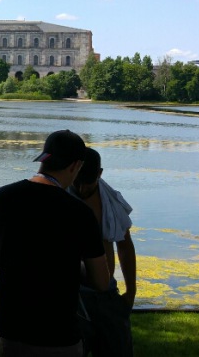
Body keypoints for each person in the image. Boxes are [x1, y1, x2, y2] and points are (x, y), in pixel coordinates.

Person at [0, 129, 108, 356]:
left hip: (12, 329)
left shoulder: (3, 196)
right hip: (60, 335)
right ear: (76, 166)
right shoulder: (80, 213)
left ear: (44, 158)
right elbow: (101, 281)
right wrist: (73, 266)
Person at [69, 147, 135, 357]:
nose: (81, 188)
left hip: (106, 290)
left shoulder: (111, 202)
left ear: (99, 174)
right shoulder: (60, 198)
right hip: (70, 290)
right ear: (73, 170)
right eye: (77, 181)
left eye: (87, 182)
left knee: (118, 349)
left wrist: (131, 291)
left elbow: (124, 246)